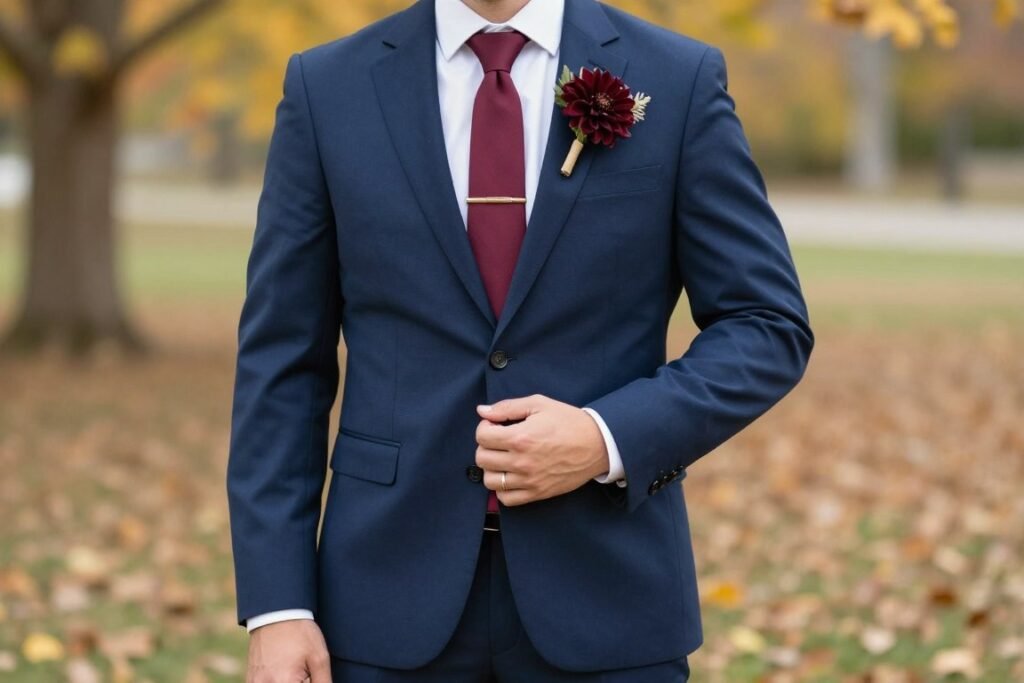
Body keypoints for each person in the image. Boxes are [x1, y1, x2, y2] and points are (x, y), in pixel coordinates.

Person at [225, 0, 814, 680]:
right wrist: (278, 606)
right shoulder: (327, 88)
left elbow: (765, 323)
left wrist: (604, 437)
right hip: (380, 604)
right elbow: (283, 362)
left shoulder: (677, 79)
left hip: (610, 598)